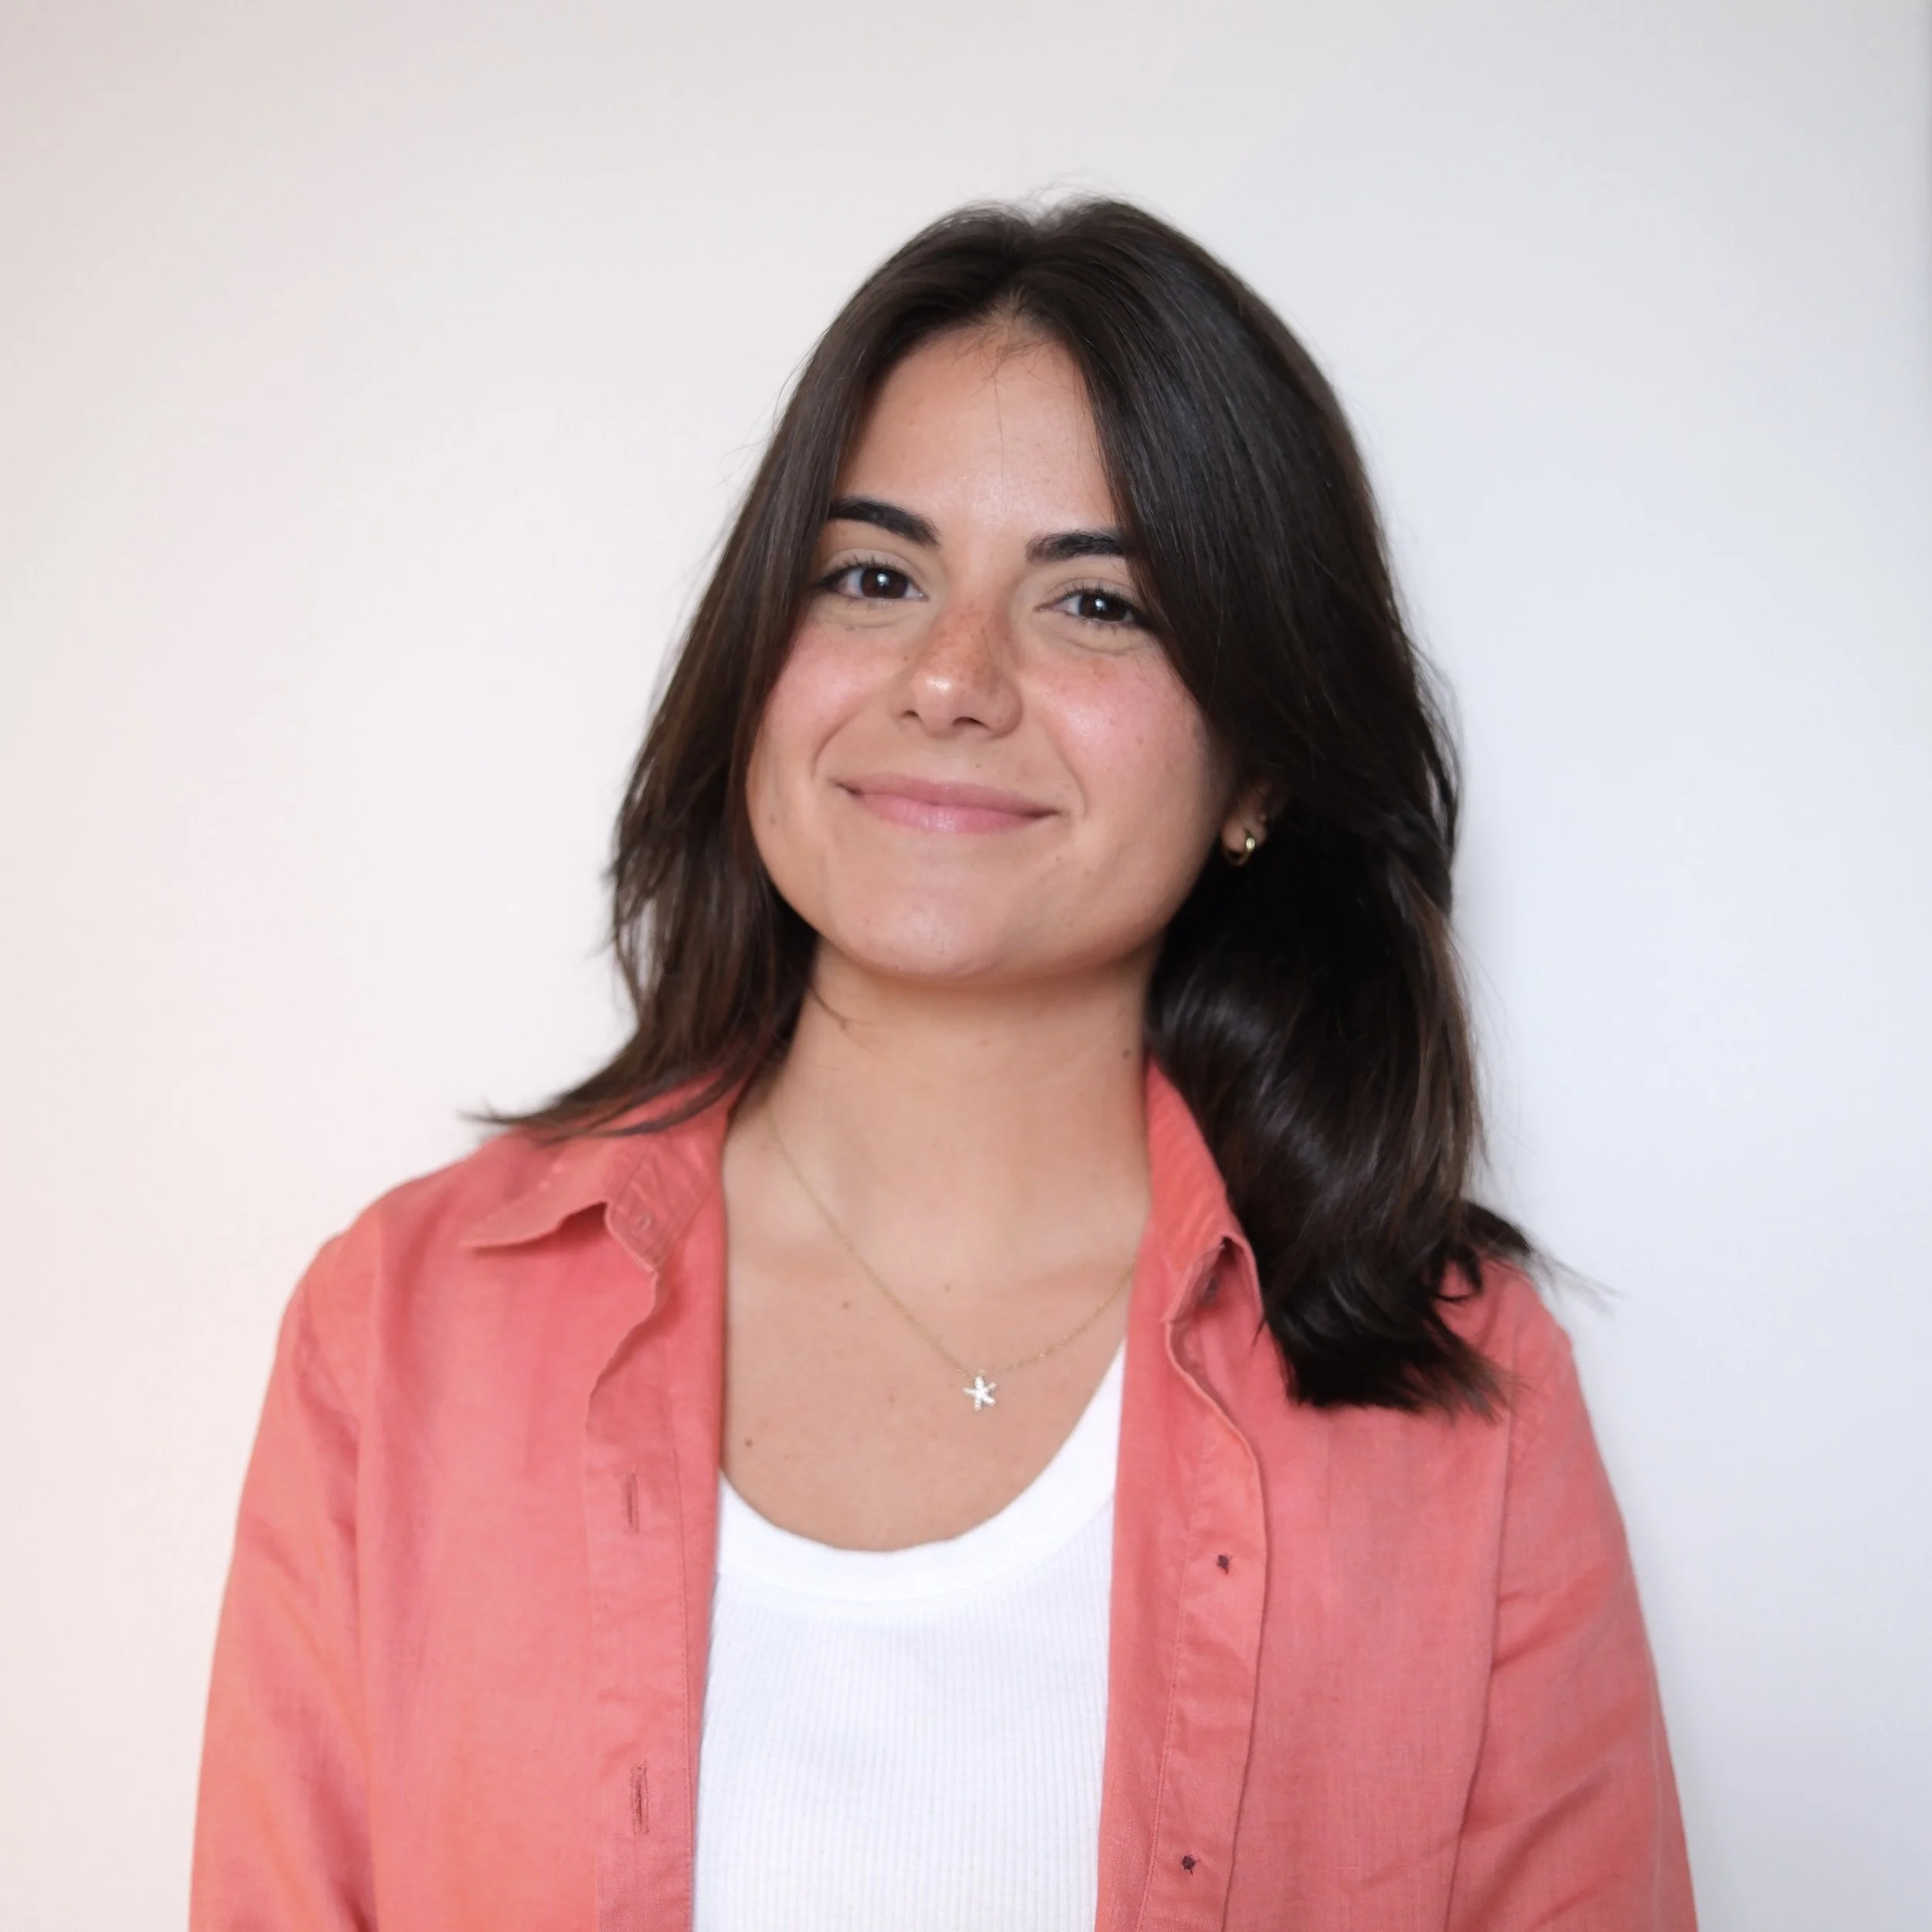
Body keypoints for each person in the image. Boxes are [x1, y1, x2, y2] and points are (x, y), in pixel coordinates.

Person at [190, 199, 1696, 1931]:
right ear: (760, 658)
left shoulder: (1458, 1388)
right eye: (876, 575)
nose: (953, 677)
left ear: (1260, 771)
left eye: (1097, 601)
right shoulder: (403, 1327)